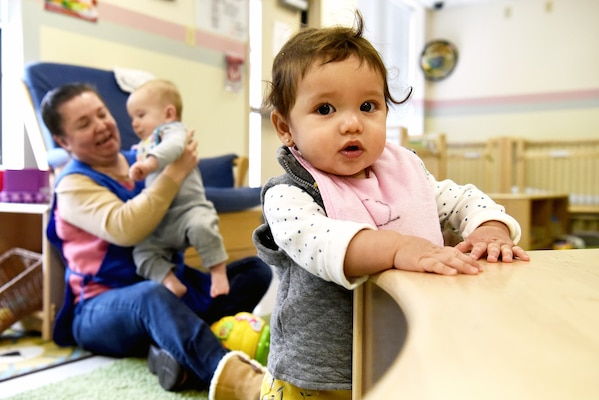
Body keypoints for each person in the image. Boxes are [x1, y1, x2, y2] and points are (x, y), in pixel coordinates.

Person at [253, 11, 530, 400]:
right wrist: (400, 247)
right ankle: (241, 379)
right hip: (319, 372)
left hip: (405, 347)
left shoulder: (404, 173)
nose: (352, 124)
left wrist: (488, 228)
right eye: (326, 110)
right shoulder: (289, 194)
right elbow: (321, 243)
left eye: (368, 106)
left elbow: (462, 199)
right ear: (285, 127)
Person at [42, 83, 272, 400]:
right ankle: (239, 380)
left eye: (102, 114)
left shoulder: (142, 157)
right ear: (63, 141)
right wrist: (174, 173)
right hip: (103, 307)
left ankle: (174, 353)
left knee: (255, 272)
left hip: (168, 286)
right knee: (150, 296)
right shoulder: (72, 185)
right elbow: (126, 228)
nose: (101, 126)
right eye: (84, 124)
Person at [126, 79, 228, 298]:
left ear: (169, 113)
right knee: (142, 252)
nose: (134, 123)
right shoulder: (147, 143)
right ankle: (170, 281)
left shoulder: (173, 130)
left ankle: (218, 272)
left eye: (141, 115)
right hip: (160, 219)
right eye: (132, 118)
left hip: (189, 210)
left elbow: (173, 147)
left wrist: (148, 163)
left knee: (203, 228)